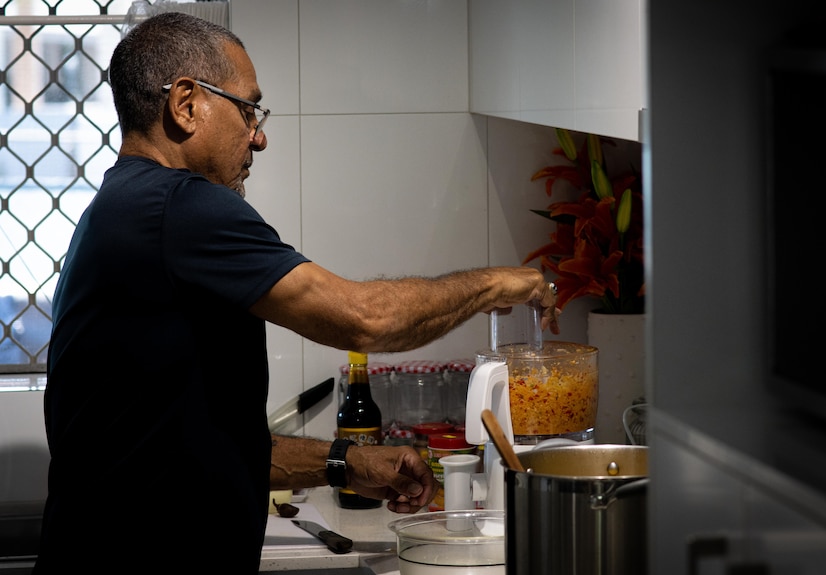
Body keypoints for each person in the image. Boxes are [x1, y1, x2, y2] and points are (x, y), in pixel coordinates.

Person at [34, 11, 560, 574]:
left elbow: (195, 444)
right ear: (186, 104)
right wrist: (499, 283)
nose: (259, 135)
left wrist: (348, 464)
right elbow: (366, 319)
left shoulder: (122, 209)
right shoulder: (181, 207)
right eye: (249, 109)